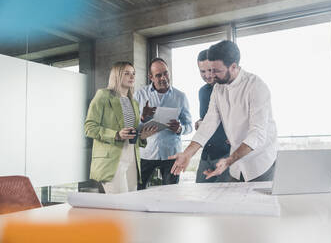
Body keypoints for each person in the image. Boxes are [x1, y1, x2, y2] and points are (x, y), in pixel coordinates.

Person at [170, 40, 277, 182]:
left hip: (260, 164)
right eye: (210, 69)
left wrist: (229, 160)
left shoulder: (256, 86)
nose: (211, 75)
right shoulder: (218, 88)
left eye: (217, 71)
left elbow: (257, 133)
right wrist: (188, 153)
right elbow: (208, 122)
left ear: (233, 67)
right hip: (235, 164)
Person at [85, 61, 157, 194]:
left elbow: (131, 133)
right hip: (112, 161)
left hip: (132, 160)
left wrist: (142, 136)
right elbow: (89, 127)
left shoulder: (133, 102)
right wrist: (116, 134)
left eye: (134, 73)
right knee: (121, 206)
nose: (132, 76)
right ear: (117, 76)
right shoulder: (103, 95)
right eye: (127, 73)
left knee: (131, 205)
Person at [134, 57, 192, 189]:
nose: (163, 78)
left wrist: (179, 129)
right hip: (146, 153)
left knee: (171, 193)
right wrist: (142, 118)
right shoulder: (140, 95)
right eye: (158, 75)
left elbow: (189, 126)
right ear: (151, 77)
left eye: (165, 73)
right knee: (138, 189)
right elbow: (131, 126)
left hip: (171, 154)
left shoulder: (180, 96)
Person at [194, 49, 231, 183]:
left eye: (210, 70)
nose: (207, 75)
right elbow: (208, 119)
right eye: (202, 71)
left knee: (223, 197)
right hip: (207, 154)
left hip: (226, 154)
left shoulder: (228, 88)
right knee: (200, 194)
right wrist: (199, 123)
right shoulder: (202, 92)